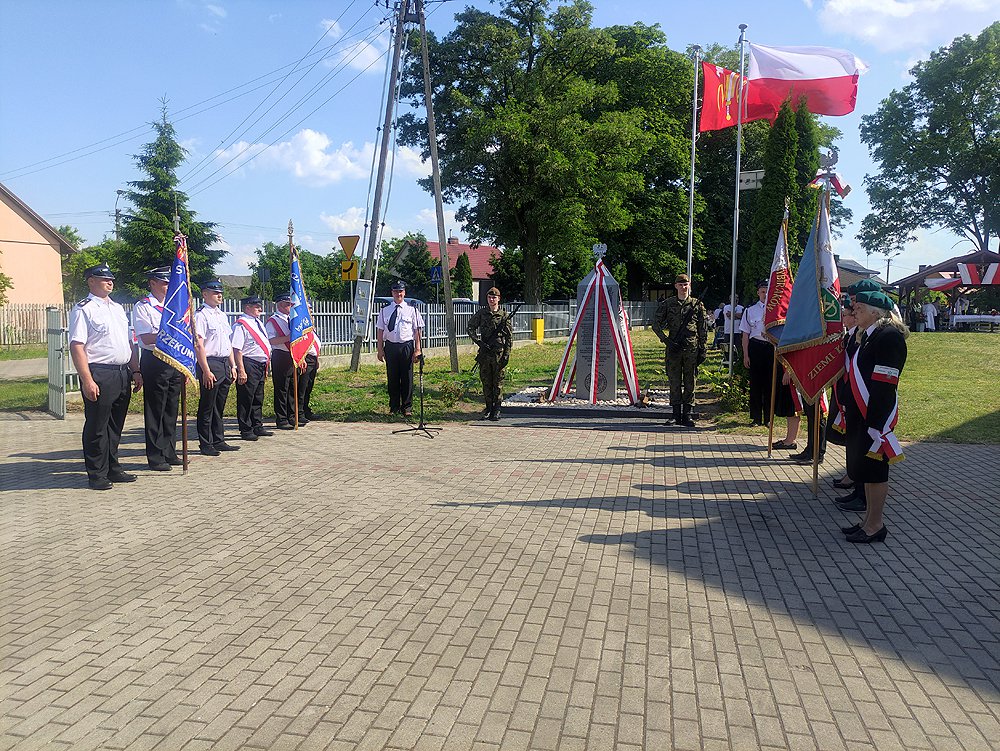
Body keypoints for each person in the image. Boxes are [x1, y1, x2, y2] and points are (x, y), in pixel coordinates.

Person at [840, 290, 908, 544]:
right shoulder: (868, 336)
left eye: (859, 309)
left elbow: (884, 384)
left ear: (875, 312)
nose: (854, 311)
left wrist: (876, 423)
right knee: (866, 471)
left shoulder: (889, 337)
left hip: (874, 417)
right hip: (862, 413)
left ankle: (876, 525)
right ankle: (868, 520)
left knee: (876, 471)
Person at [69, 263, 143, 490]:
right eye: (104, 279)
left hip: (122, 372)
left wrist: (136, 369)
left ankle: (113, 466)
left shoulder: (118, 309)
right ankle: (96, 473)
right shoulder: (84, 309)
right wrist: (87, 379)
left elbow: (128, 342)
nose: (110, 282)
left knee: (115, 425)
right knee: (97, 425)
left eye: (111, 279)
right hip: (100, 372)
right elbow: (77, 345)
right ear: (91, 281)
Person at [132, 266, 183, 471]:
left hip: (173, 359)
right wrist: (173, 336)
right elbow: (145, 337)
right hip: (154, 359)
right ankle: (155, 456)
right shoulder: (144, 306)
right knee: (156, 410)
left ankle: (169, 451)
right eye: (163, 282)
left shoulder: (174, 306)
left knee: (171, 409)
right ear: (152, 283)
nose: (168, 286)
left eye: (169, 282)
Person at [652, 273, 708, 427]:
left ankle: (687, 415)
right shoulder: (668, 304)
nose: (683, 287)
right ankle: (675, 415)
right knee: (674, 381)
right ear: (676, 286)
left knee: (690, 381)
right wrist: (666, 340)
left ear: (689, 285)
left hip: (691, 348)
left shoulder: (697, 304)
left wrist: (703, 349)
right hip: (673, 348)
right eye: (681, 284)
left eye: (686, 284)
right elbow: (656, 325)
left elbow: (702, 329)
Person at [194, 279, 239, 456]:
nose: (219, 295)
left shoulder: (222, 315)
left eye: (220, 292)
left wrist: (233, 365)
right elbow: (199, 344)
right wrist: (205, 370)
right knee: (207, 405)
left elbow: (227, 342)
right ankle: (205, 443)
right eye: (215, 292)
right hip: (210, 362)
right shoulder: (201, 315)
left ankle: (218, 439)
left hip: (224, 363)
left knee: (219, 405)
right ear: (204, 294)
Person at [375, 280, 424, 417]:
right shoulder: (385, 310)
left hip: (406, 346)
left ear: (404, 292)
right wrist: (380, 349)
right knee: (393, 377)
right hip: (390, 346)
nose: (398, 294)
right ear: (392, 293)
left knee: (407, 377)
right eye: (396, 291)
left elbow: (417, 331)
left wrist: (417, 349)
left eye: (401, 291)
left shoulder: (412, 310)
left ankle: (407, 407)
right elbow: (380, 331)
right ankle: (394, 406)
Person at [468, 286, 513, 421]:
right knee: (486, 382)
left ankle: (497, 409)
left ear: (498, 299)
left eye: (494, 297)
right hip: (485, 353)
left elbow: (509, 338)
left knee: (498, 382)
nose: (491, 299)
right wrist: (478, 342)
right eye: (489, 297)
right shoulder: (482, 313)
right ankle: (488, 408)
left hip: (498, 354)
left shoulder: (503, 316)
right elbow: (470, 327)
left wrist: (506, 355)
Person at [232, 296, 272, 440]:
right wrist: (240, 369)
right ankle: (246, 429)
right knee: (246, 398)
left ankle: (257, 425)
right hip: (248, 363)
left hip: (260, 365)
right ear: (247, 307)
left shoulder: (258, 323)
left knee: (258, 397)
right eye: (256, 306)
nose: (260, 309)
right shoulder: (241, 325)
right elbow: (237, 349)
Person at [740, 280, 771, 426]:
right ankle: (756, 418)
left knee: (770, 385)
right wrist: (746, 355)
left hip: (771, 348)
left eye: (767, 290)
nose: (765, 294)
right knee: (756, 385)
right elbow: (745, 334)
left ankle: (769, 418)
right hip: (756, 347)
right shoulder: (750, 310)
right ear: (758, 293)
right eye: (763, 291)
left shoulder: (777, 309)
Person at [265, 293, 297, 429]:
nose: (290, 306)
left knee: (291, 387)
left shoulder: (292, 319)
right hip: (281, 354)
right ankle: (281, 418)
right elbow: (270, 340)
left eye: (290, 304)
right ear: (280, 305)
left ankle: (292, 416)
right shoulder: (273, 321)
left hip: (291, 355)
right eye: (287, 304)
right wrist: (288, 338)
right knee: (281, 388)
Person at [297, 328, 321, 422]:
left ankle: (305, 409)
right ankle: (299, 412)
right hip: (305, 359)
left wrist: (317, 360)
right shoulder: (301, 329)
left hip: (313, 359)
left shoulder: (310, 329)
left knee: (308, 387)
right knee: (302, 387)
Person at [722, 296, 743, 364]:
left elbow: (742, 316)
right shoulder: (726, 307)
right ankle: (727, 360)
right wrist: (737, 316)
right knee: (727, 347)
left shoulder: (741, 308)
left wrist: (732, 314)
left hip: (738, 331)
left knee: (737, 347)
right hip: (728, 331)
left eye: (736, 300)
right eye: (733, 300)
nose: (735, 301)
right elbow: (729, 316)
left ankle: (737, 360)